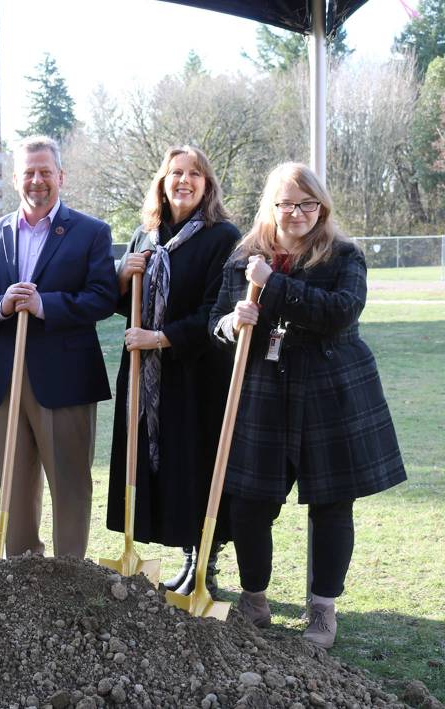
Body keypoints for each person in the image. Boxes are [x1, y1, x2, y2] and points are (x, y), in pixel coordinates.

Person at [210, 162, 406, 648]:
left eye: (306, 203)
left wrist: (273, 287)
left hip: (328, 391)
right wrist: (234, 323)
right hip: (264, 392)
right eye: (286, 204)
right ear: (270, 207)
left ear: (321, 206)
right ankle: (254, 598)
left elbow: (341, 313)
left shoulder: (343, 255)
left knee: (332, 504)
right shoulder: (245, 257)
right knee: (251, 503)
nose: (296, 213)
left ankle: (322, 610)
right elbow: (215, 324)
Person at [0, 135, 118, 559]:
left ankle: (68, 576)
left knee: (69, 483)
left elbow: (103, 296)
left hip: (64, 379)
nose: (37, 180)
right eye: (28, 172)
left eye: (45, 171)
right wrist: (2, 305)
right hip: (2, 379)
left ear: (60, 176)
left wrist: (47, 305)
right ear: (15, 178)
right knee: (13, 483)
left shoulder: (91, 233)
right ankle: (23, 575)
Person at [104, 146, 240, 596]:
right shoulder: (146, 235)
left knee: (193, 463)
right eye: (176, 173)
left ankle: (202, 560)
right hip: (146, 372)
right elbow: (120, 303)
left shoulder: (223, 238)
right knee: (154, 464)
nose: (184, 181)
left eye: (194, 174)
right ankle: (180, 554)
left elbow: (215, 312)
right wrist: (123, 276)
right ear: (162, 181)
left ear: (207, 184)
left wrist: (160, 338)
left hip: (195, 371)